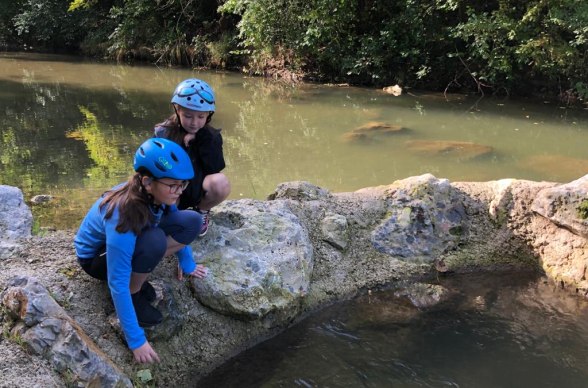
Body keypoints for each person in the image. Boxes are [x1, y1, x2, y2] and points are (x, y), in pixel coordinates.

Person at [74, 138, 208, 364]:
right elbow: (116, 281)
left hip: (129, 240)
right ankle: (134, 295)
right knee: (153, 242)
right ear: (147, 182)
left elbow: (175, 220)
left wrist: (188, 264)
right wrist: (136, 340)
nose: (179, 191)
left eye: (182, 184)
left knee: (192, 220)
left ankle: (139, 272)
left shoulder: (160, 194)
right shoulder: (123, 215)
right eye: (173, 185)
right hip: (96, 258)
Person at [154, 78, 230, 236]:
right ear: (177, 110)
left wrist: (200, 141)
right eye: (188, 116)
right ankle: (170, 217)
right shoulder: (163, 133)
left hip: (197, 188)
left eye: (201, 117)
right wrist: (181, 145)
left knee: (221, 182)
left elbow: (214, 168)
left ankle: (201, 211)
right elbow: (157, 168)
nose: (194, 123)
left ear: (208, 115)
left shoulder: (212, 136)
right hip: (172, 189)